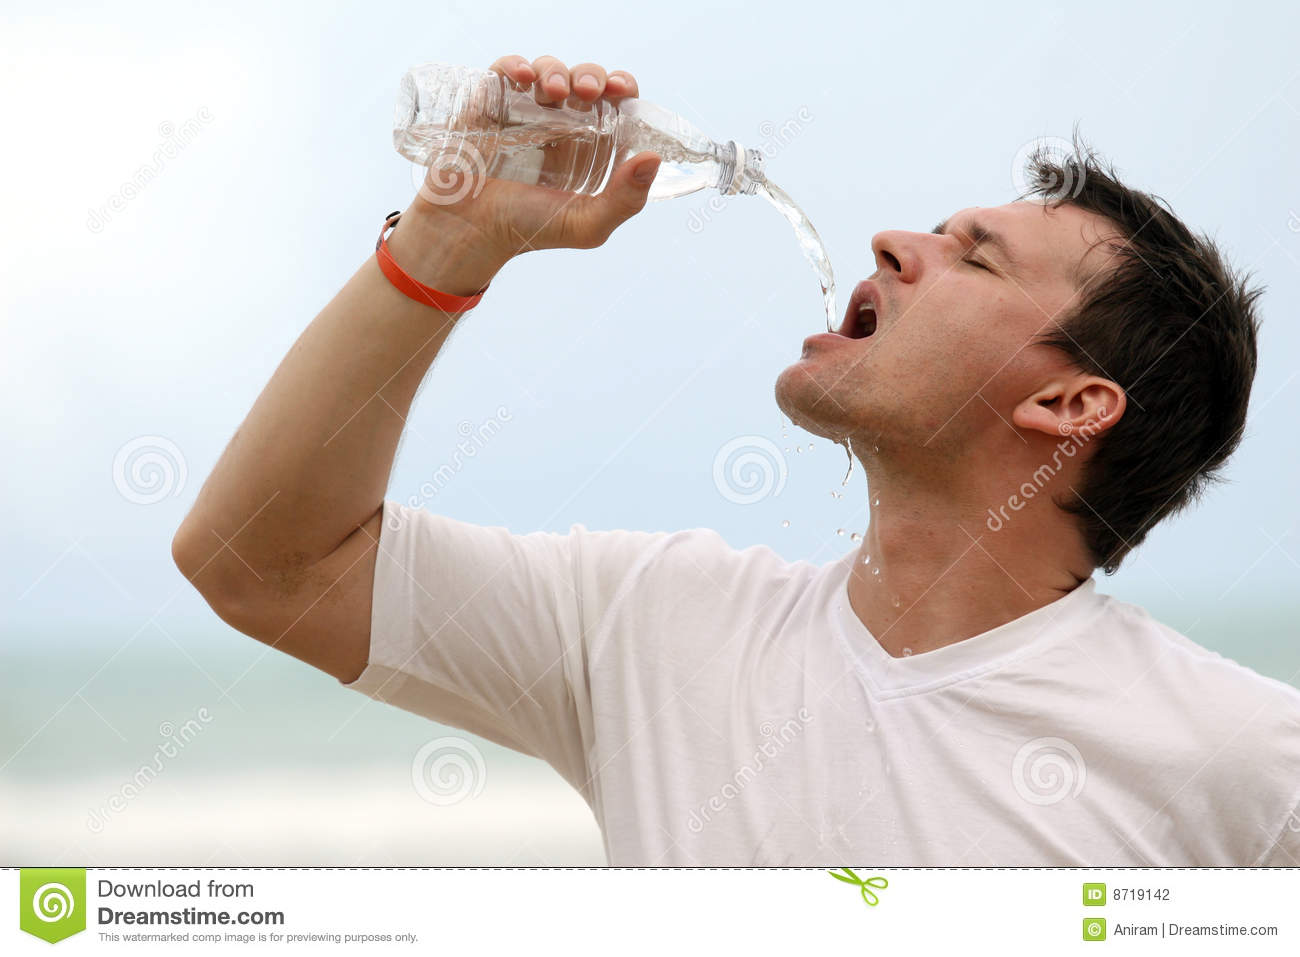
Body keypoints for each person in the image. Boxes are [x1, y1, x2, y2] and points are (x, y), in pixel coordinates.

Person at [172, 54, 1300, 865]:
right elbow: (258, 561)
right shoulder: (648, 621)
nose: (893, 244)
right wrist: (441, 248)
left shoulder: (1242, 758)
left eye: (976, 260)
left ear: (1069, 403)